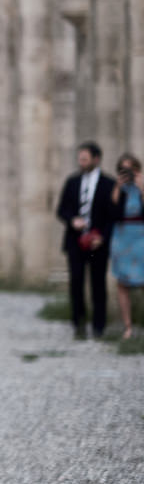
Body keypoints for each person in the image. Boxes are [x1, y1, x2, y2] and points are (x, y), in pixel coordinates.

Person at [56, 140, 116, 339]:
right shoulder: (72, 182)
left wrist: (103, 238)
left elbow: (112, 216)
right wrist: (72, 220)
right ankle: (78, 323)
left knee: (98, 284)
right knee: (76, 283)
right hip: (75, 241)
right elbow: (61, 210)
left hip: (97, 243)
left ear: (96, 159)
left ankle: (99, 326)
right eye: (79, 159)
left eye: (85, 158)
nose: (81, 162)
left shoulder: (109, 184)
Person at [110, 153, 144, 338]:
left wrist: (142, 187)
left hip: (141, 237)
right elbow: (113, 214)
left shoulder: (141, 186)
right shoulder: (117, 189)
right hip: (122, 237)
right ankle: (128, 326)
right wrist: (117, 188)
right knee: (122, 283)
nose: (128, 173)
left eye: (131, 169)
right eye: (124, 170)